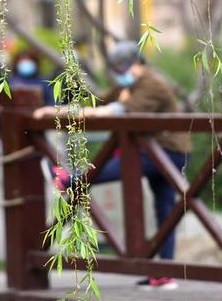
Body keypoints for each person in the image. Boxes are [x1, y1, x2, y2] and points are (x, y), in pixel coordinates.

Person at [34, 41, 190, 290]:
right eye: (117, 68)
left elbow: (120, 111)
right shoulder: (131, 84)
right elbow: (100, 103)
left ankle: (69, 179)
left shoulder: (153, 83)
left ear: (137, 63)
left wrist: (73, 116)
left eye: (123, 66)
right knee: (165, 213)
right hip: (152, 150)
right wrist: (60, 110)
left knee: (106, 177)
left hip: (167, 152)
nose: (120, 72)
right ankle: (162, 273)